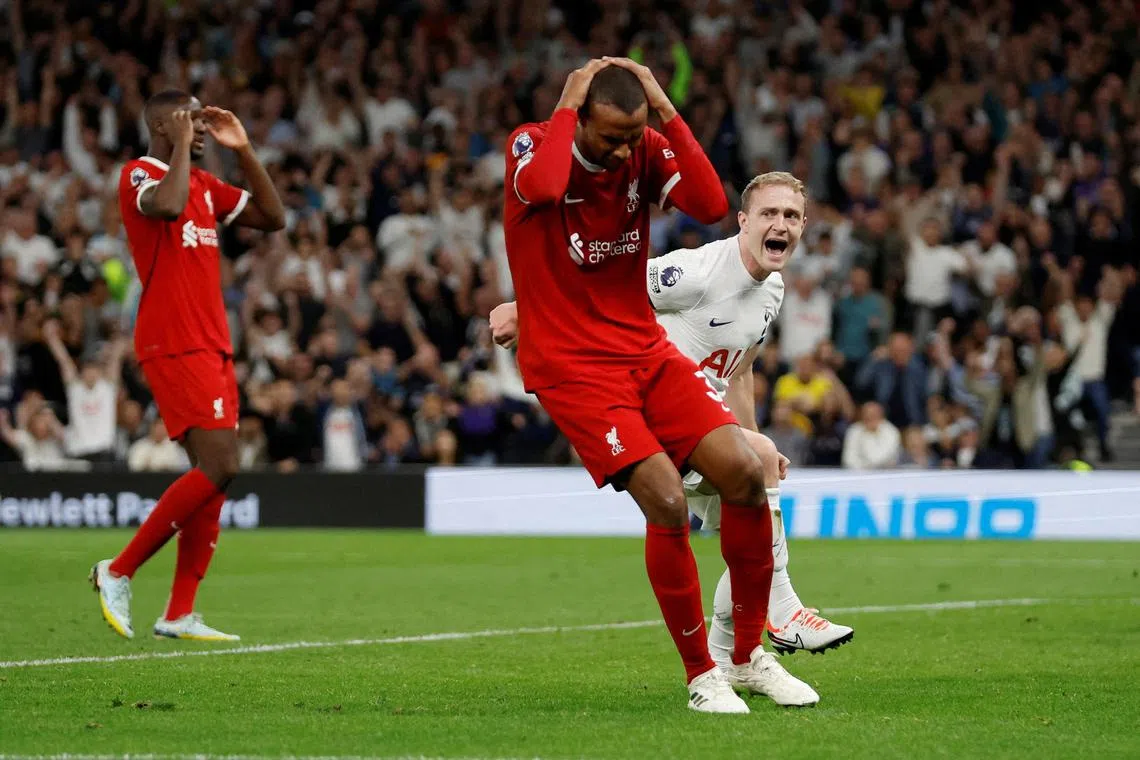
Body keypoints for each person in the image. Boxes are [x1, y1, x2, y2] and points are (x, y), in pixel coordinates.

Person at [498, 57, 808, 714]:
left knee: (746, 471)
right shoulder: (533, 143)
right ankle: (702, 676)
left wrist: (664, 111)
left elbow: (710, 202)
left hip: (642, 346)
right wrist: (567, 98)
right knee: (666, 500)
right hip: (573, 367)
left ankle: (749, 656)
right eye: (609, 137)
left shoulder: (642, 144)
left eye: (632, 137)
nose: (622, 152)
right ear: (578, 114)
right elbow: (550, 184)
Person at [90, 89, 284, 642]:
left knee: (215, 474)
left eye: (203, 121)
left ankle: (179, 612)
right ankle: (119, 569)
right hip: (173, 340)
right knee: (221, 464)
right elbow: (166, 206)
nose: (201, 129)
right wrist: (178, 147)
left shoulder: (205, 185)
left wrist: (243, 150)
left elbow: (274, 217)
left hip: (212, 342)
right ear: (162, 123)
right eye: (191, 120)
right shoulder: (139, 175)